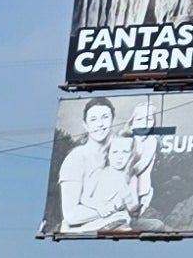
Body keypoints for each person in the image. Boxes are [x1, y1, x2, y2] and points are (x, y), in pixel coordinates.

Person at [57, 97, 155, 234]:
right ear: (85, 125)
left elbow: (132, 198)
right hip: (86, 231)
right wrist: (113, 207)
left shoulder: (120, 149)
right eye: (93, 119)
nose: (100, 124)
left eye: (105, 117)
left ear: (112, 120)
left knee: (157, 226)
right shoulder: (76, 159)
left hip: (121, 221)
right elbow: (71, 215)